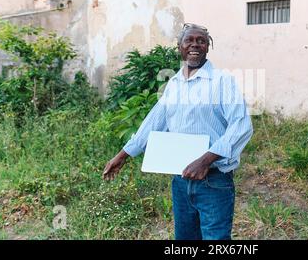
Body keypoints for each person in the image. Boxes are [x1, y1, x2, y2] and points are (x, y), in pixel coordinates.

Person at [102, 23, 253, 240]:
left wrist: (205, 160)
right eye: (189, 40)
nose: (195, 45)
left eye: (201, 41)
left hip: (214, 181)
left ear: (208, 47)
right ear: (179, 47)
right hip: (181, 181)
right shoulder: (174, 84)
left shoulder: (222, 82)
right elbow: (153, 122)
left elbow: (241, 126)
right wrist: (123, 155)